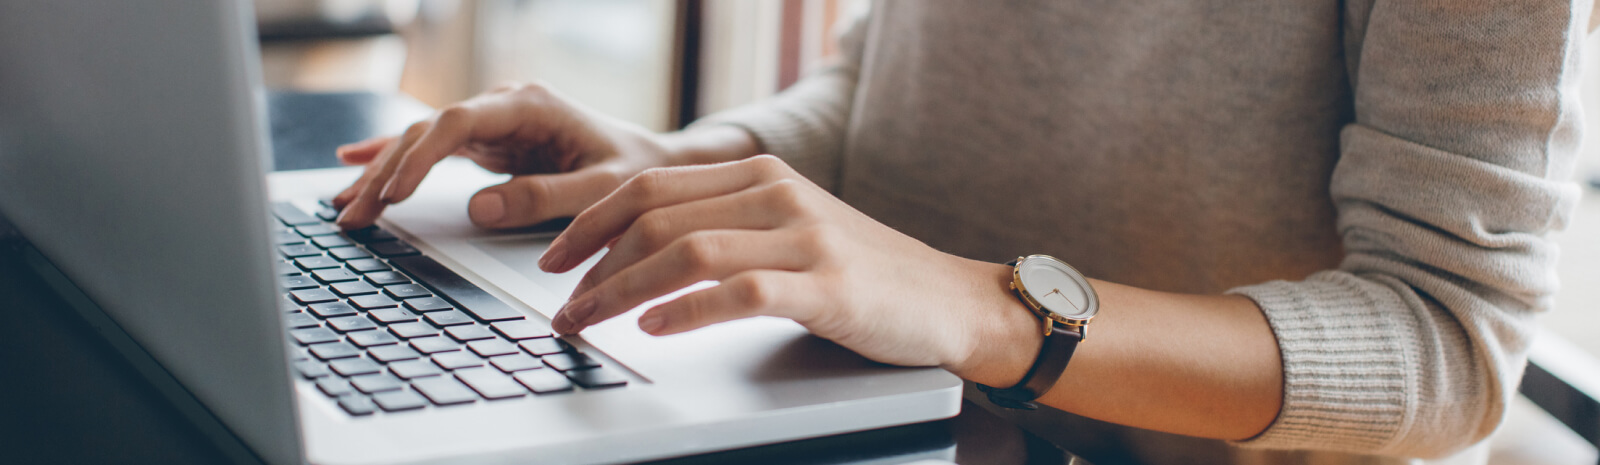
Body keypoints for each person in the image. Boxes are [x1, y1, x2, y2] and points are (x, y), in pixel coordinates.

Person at [328, 1, 1586, 463]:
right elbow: (881, 81)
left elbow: (1449, 338)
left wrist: (990, 311)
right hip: (873, 423)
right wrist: (682, 166)